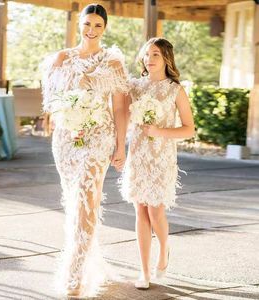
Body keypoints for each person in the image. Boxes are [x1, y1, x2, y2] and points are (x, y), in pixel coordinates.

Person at [41, 4, 128, 297]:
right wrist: (63, 116)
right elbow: (52, 102)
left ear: (105, 29)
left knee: (87, 199)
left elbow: (119, 106)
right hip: (66, 138)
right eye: (87, 24)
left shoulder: (113, 61)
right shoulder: (61, 59)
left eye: (98, 26)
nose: (91, 31)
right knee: (72, 200)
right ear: (79, 24)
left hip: (98, 136)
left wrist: (120, 145)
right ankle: (89, 260)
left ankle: (75, 274)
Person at [121, 37, 195, 289]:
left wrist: (159, 132)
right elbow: (115, 105)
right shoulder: (134, 86)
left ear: (166, 59)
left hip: (161, 156)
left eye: (155, 55)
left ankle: (164, 249)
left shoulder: (175, 89)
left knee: (155, 209)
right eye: (146, 54)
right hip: (138, 154)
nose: (149, 59)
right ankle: (143, 271)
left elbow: (189, 129)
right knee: (139, 208)